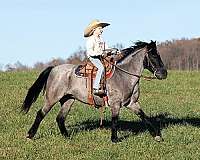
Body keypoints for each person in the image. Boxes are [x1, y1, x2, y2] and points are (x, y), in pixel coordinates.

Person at [84, 19, 110, 95]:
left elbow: (106, 48)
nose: (102, 30)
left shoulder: (101, 39)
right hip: (93, 58)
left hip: (101, 57)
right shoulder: (91, 40)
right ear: (94, 29)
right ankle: (95, 88)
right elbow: (90, 52)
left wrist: (113, 51)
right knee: (101, 68)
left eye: (102, 28)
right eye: (100, 28)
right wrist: (100, 53)